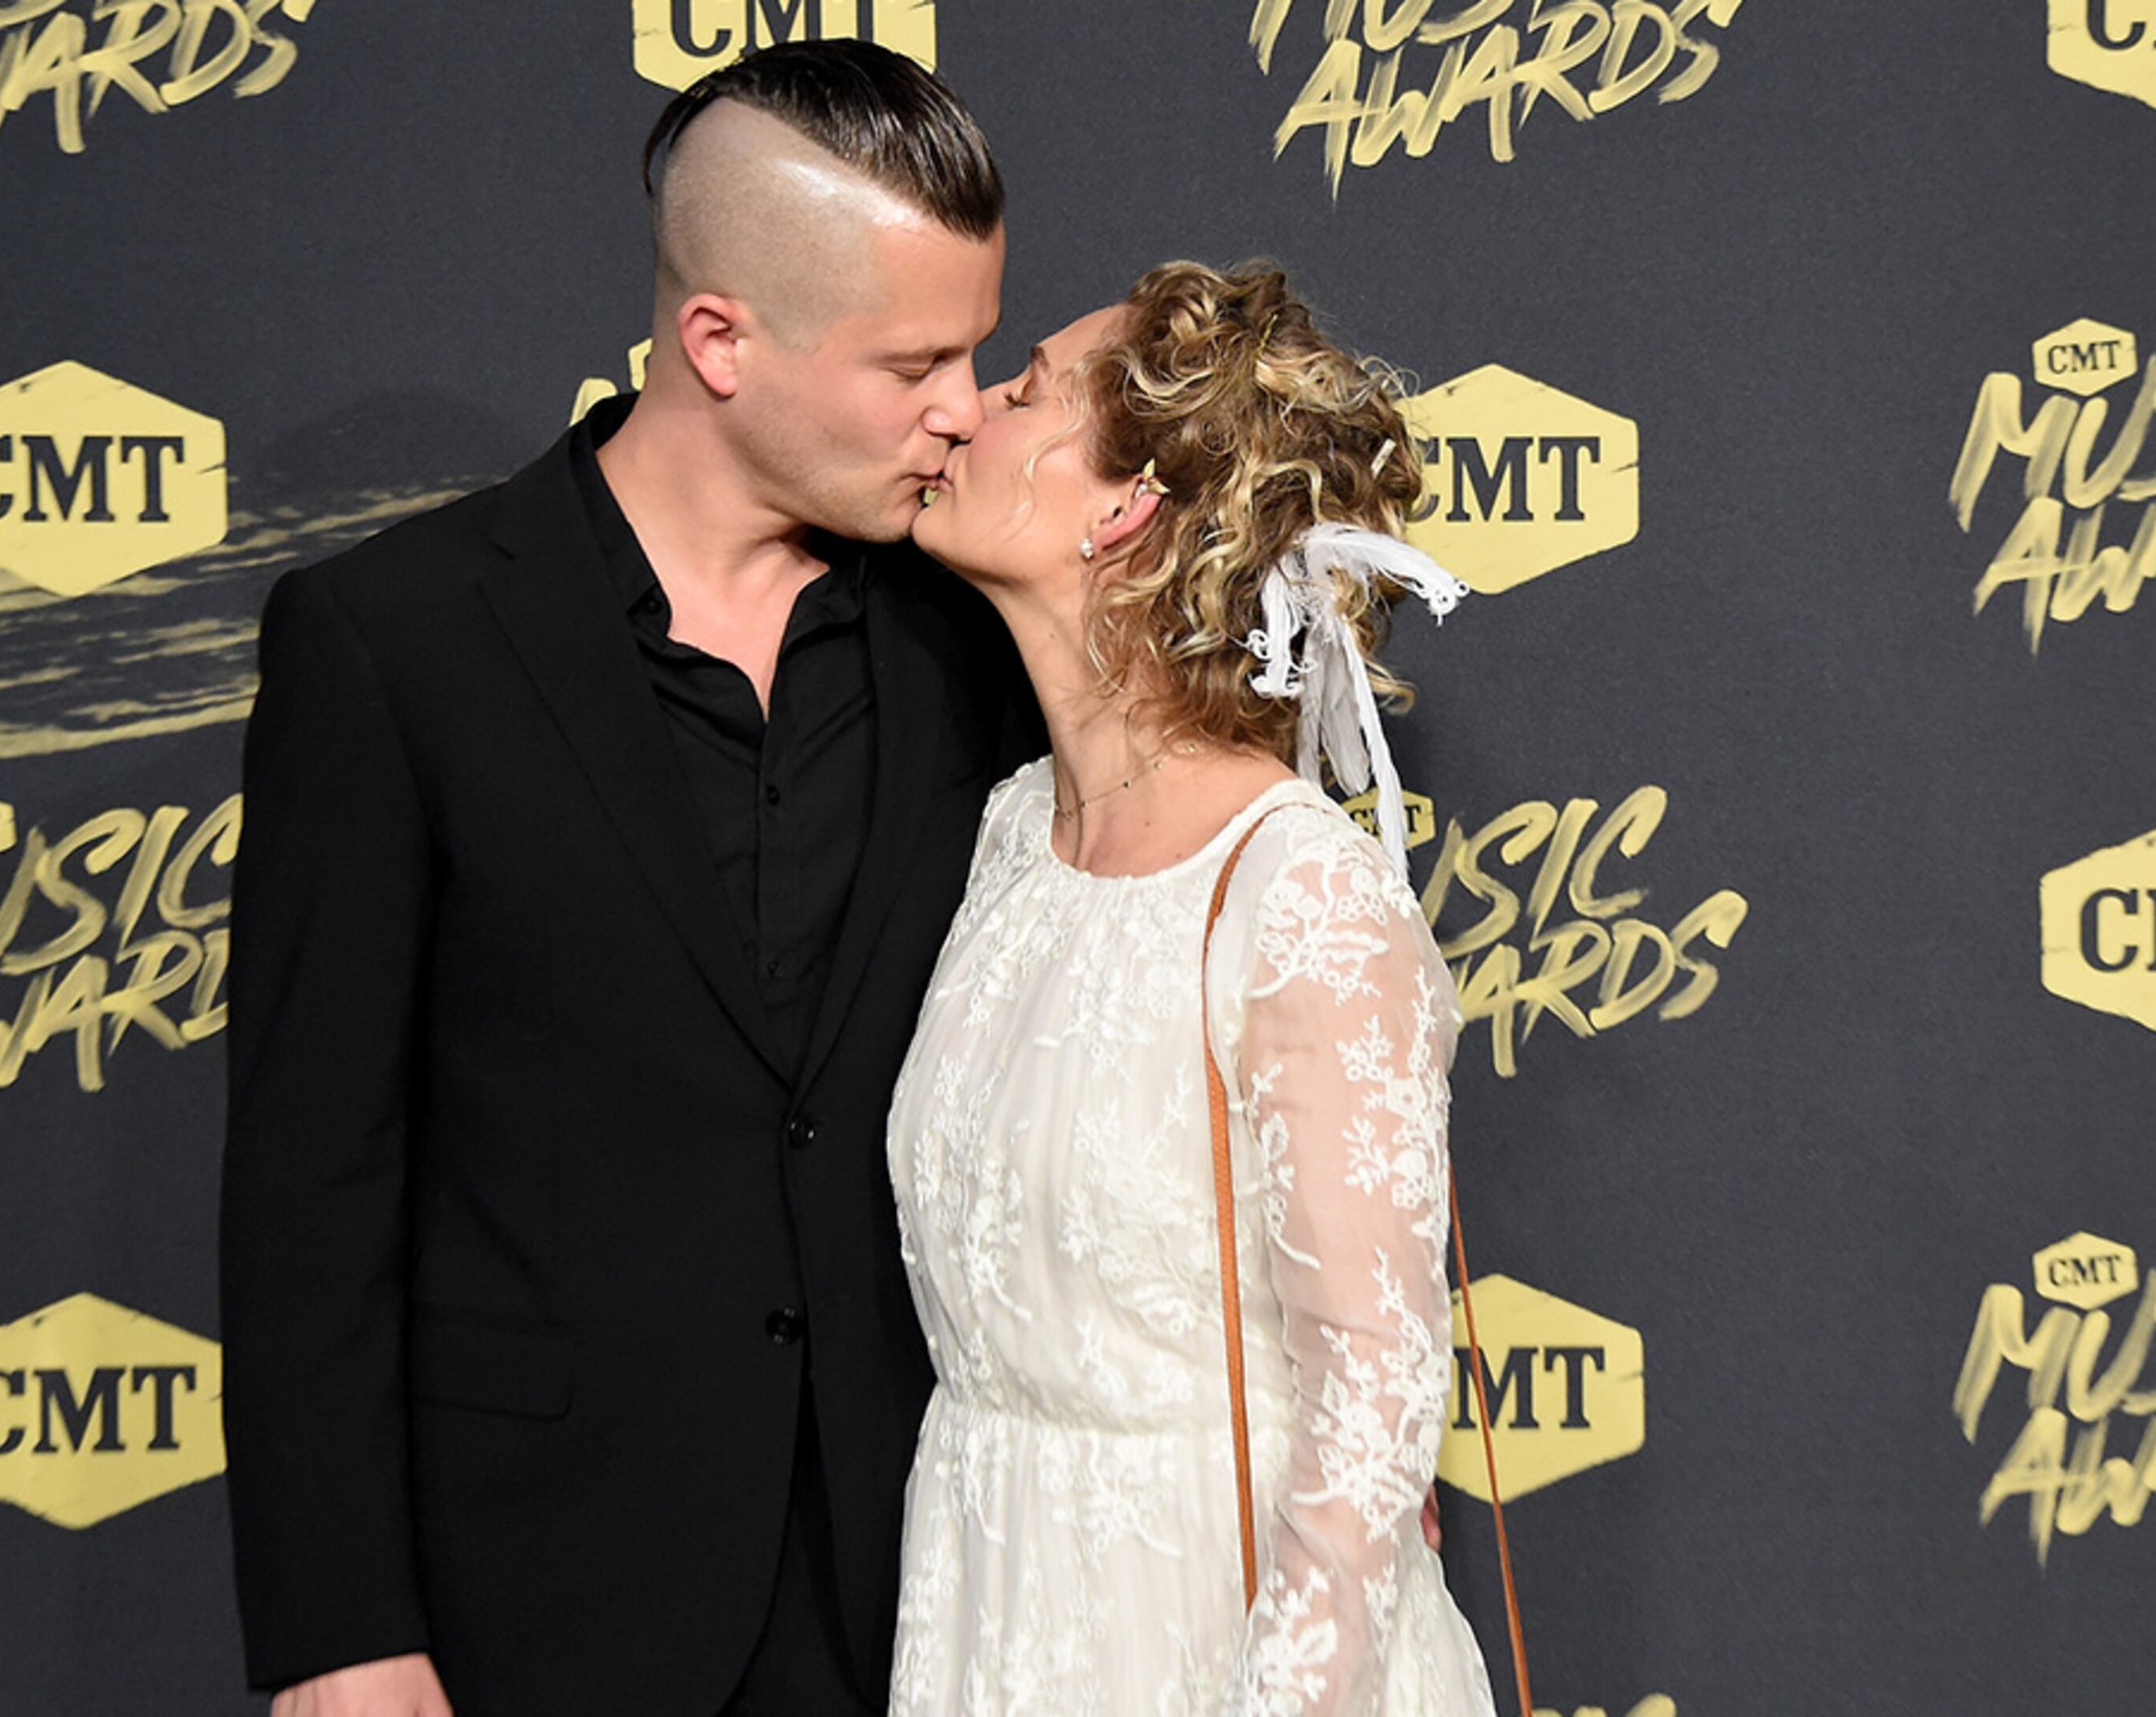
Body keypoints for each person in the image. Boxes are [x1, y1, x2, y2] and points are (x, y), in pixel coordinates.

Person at [219, 42, 1035, 1717]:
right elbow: (313, 1174)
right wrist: (339, 1627)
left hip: (925, 1580)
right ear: (720, 342)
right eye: (914, 362)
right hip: (539, 1589)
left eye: (974, 351)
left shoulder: (974, 633)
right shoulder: (397, 640)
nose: (963, 407)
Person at [881, 261, 1500, 1713]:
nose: (965, 409)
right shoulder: (1009, 837)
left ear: (1123, 510)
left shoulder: (1300, 896)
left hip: (1210, 1646)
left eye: (1024, 390)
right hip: (990, 1615)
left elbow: (1372, 1412)